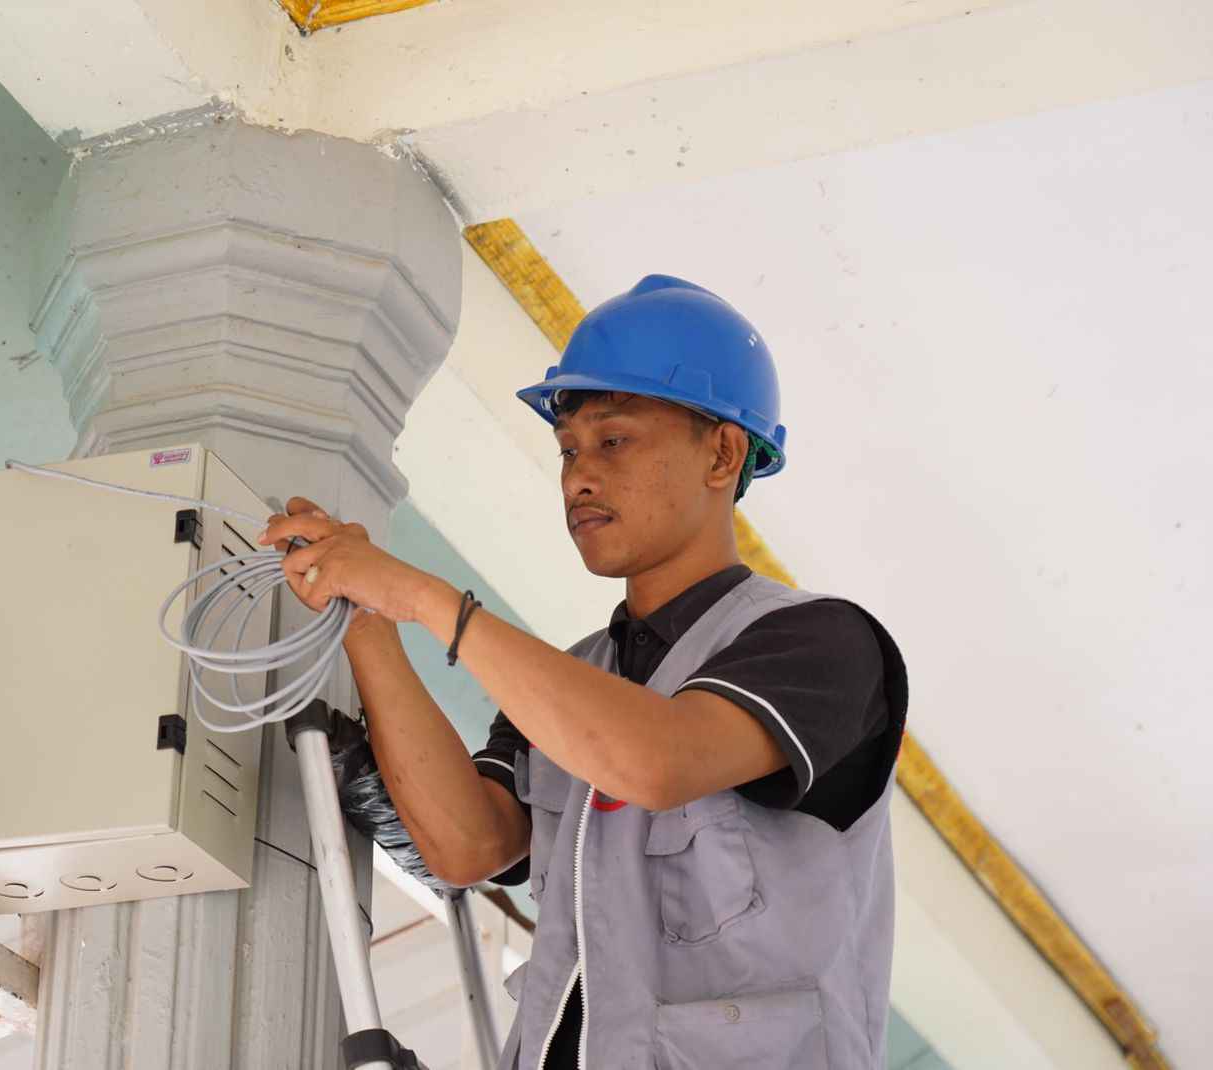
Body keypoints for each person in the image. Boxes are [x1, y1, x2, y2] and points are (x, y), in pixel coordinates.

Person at [258, 274, 908, 1069]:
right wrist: (366, 617)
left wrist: (428, 598)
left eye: (614, 441)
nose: (577, 477)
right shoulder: (570, 681)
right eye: (568, 450)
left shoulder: (820, 642)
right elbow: (470, 846)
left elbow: (657, 761)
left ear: (723, 453)